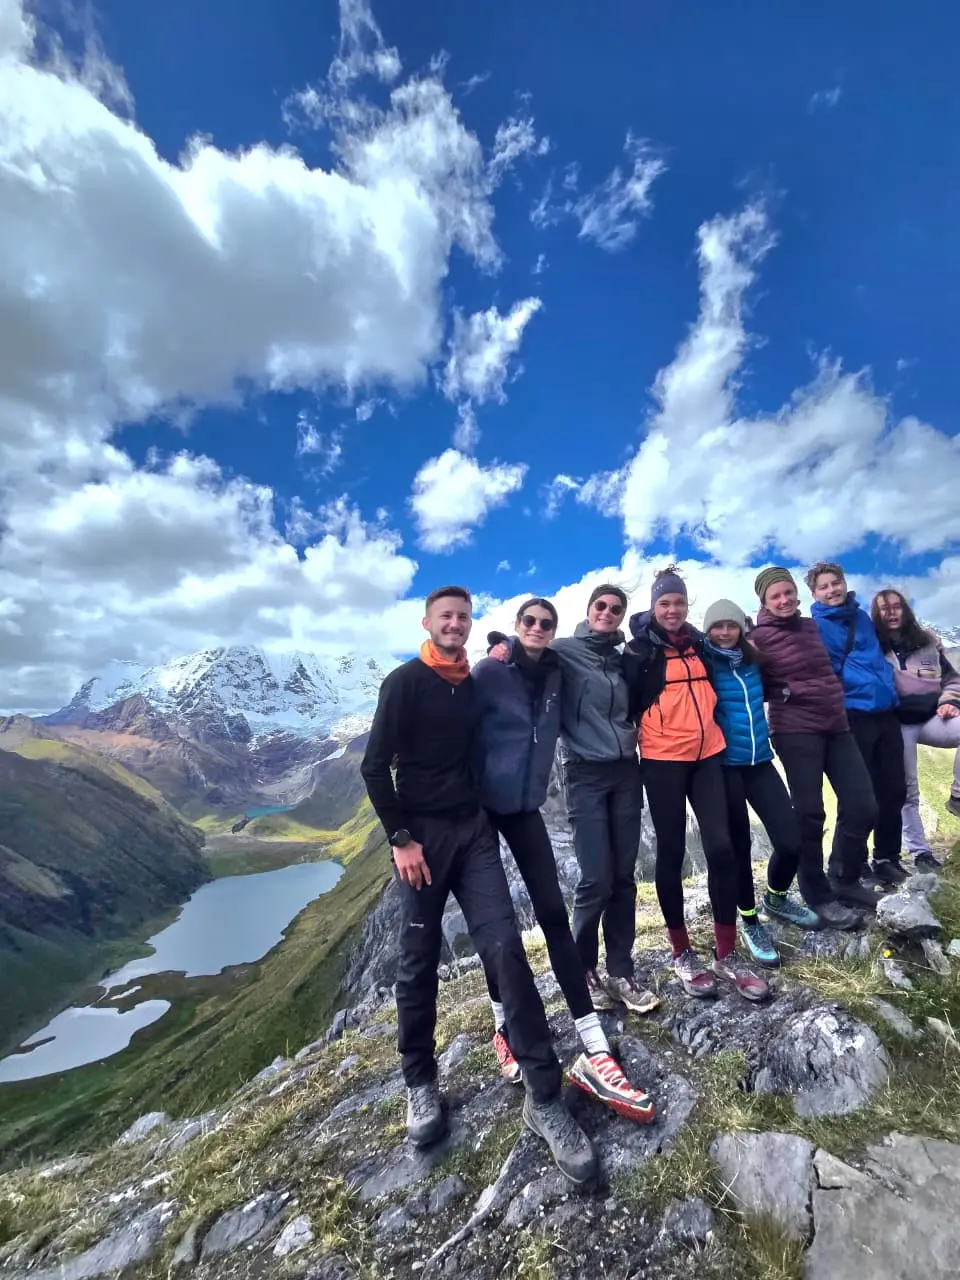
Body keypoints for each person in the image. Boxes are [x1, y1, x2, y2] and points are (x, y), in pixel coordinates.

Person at [361, 586, 596, 1184]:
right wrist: (401, 838)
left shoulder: (473, 681)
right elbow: (374, 766)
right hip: (422, 842)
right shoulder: (404, 682)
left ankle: (544, 1097)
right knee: (418, 960)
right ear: (428, 622)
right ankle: (419, 1081)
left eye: (464, 616)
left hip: (473, 833)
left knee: (506, 950)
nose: (455, 624)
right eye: (447, 616)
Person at [472, 596, 655, 1122]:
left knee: (552, 914)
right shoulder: (491, 669)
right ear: (515, 626)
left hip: (526, 805)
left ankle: (595, 1046)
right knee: (498, 931)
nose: (536, 629)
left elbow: (639, 649)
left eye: (544, 624)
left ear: (553, 631)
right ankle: (503, 1028)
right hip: (482, 811)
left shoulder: (556, 666)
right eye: (528, 622)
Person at [627, 568, 770, 1001]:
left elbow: (739, 653)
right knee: (670, 851)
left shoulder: (700, 647)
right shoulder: (638, 653)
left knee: (723, 848)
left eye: (678, 602)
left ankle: (726, 955)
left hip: (709, 756)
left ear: (688, 605)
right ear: (654, 607)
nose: (672, 610)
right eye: (664, 603)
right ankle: (682, 952)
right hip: (662, 761)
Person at [550, 583, 659, 1015]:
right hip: (584, 774)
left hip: (625, 771)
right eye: (602, 606)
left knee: (623, 876)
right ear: (589, 608)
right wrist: (504, 650)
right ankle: (583, 970)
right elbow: (529, 657)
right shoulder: (565, 649)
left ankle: (620, 971)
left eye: (616, 608)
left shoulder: (622, 657)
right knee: (595, 878)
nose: (608, 613)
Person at [701, 599, 824, 966]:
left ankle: (776, 897)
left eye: (731, 626)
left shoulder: (754, 659)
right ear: (707, 630)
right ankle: (750, 920)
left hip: (760, 762)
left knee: (790, 839)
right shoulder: (703, 663)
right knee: (738, 848)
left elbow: (794, 663)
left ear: (742, 628)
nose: (724, 632)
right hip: (724, 767)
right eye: (717, 626)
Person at [751, 567, 878, 915]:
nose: (784, 600)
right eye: (775, 595)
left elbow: (851, 654)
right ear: (763, 601)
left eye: (788, 592)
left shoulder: (811, 626)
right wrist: (784, 691)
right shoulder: (757, 637)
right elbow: (748, 680)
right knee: (810, 813)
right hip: (794, 730)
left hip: (836, 726)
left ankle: (845, 877)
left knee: (863, 805)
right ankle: (816, 893)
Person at [807, 562, 907, 887]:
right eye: (824, 587)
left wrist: (929, 639)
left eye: (835, 583)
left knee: (893, 790)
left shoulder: (863, 617)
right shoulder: (817, 627)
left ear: (844, 583)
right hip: (853, 715)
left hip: (886, 711)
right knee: (859, 796)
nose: (832, 590)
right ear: (815, 593)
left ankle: (887, 858)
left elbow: (890, 642)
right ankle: (848, 863)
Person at [872, 589, 960, 867]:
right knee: (908, 789)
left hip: (933, 716)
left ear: (905, 609)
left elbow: (952, 679)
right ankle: (920, 852)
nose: (892, 612)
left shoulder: (927, 644)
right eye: (884, 609)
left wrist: (949, 701)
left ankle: (958, 795)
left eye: (897, 606)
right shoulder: (871, 647)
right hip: (897, 723)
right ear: (877, 615)